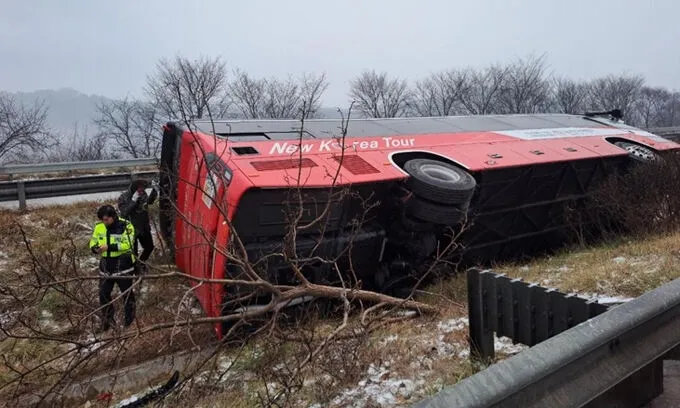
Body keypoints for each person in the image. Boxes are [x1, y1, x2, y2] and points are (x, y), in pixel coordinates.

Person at [89, 205, 137, 332]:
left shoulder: (126, 226)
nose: (104, 223)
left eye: (106, 220)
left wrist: (109, 247)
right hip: (106, 265)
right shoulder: (99, 227)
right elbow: (93, 242)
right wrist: (95, 248)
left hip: (123, 264)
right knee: (103, 294)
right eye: (102, 220)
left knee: (127, 294)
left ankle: (129, 323)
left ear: (113, 216)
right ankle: (107, 322)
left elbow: (128, 244)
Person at [117, 179, 158, 271]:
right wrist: (133, 200)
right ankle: (136, 270)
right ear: (134, 188)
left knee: (149, 247)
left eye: (143, 189)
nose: (142, 191)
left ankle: (141, 263)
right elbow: (124, 212)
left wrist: (155, 191)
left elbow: (148, 202)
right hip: (131, 228)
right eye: (140, 189)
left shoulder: (143, 194)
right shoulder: (124, 197)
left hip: (143, 227)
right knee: (133, 253)